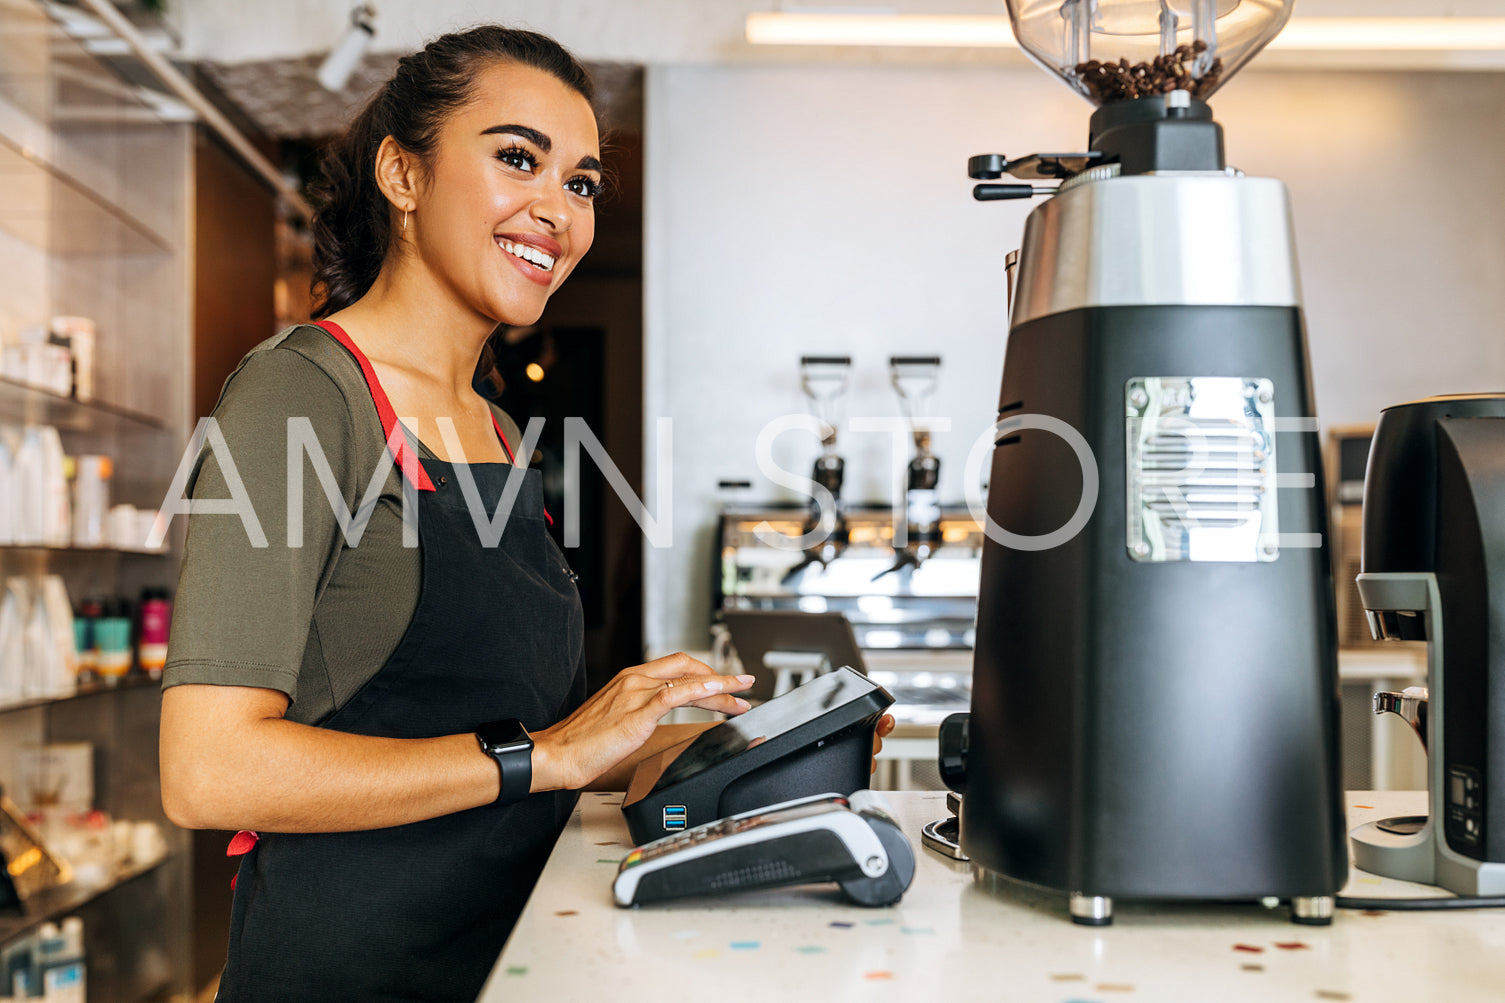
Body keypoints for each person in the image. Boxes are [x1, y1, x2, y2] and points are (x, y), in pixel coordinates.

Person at [159, 25, 891, 1002]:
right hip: (353, 968)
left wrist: (732, 742)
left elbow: (524, 750)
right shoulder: (298, 394)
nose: (557, 209)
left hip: (509, 958)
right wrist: (543, 754)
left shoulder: (499, 432)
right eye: (517, 159)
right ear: (401, 174)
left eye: (582, 183)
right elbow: (208, 772)